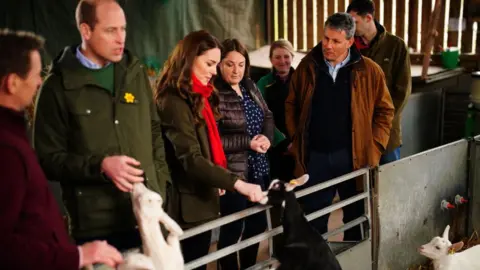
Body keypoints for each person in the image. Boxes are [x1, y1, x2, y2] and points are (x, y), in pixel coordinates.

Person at [33, 0, 170, 251]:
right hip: (98, 227)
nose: (121, 39)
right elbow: (47, 159)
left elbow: (153, 130)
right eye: (111, 31)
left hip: (147, 216)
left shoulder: (135, 72)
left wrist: (159, 182)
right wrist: (100, 165)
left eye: (124, 29)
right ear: (86, 31)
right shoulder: (57, 87)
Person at [0, 28, 123, 270]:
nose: (38, 82)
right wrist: (77, 256)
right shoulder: (6, 150)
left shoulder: (13, 134)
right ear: (12, 83)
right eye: (35, 75)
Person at [154, 30, 265, 269]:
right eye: (210, 63)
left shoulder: (198, 95)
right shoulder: (173, 100)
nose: (214, 71)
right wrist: (236, 182)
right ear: (189, 58)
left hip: (202, 197)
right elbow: (190, 158)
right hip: (185, 205)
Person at [285, 13, 394, 241]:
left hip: (353, 156)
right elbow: (291, 103)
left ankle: (354, 260)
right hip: (315, 157)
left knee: (356, 215)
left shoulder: (369, 71)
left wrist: (374, 147)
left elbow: (385, 111)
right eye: (326, 38)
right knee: (314, 218)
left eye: (335, 41)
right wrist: (296, 138)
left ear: (350, 41)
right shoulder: (307, 67)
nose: (328, 45)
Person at [214, 38, 274, 270]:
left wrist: (266, 137)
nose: (236, 70)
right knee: (232, 228)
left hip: (259, 167)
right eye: (230, 64)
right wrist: (248, 142)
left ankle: (249, 266)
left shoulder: (250, 85)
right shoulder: (215, 93)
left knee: (257, 223)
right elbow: (214, 140)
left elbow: (267, 115)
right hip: (234, 172)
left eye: (241, 64)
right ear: (219, 64)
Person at [347, 0, 411, 164]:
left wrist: (381, 122)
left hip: (387, 134)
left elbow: (402, 91)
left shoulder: (396, 46)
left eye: (355, 22)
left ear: (368, 18)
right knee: (361, 185)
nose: (351, 27)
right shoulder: (349, 48)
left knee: (388, 180)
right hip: (356, 134)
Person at [257, 39, 296, 181]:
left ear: (292, 57)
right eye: (277, 57)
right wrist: (283, 143)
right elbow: (260, 115)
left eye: (286, 56)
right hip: (274, 146)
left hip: (299, 147)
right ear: (271, 60)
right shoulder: (263, 83)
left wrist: (297, 143)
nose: (282, 61)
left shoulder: (302, 81)